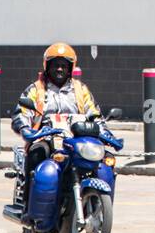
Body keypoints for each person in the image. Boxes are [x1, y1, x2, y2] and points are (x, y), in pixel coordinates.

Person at [11, 42, 102, 209]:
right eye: (55, 65)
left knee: (99, 159)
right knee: (37, 153)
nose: (59, 69)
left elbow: (94, 112)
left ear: (70, 68)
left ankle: (94, 203)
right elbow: (22, 112)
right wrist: (25, 128)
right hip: (45, 136)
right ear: (47, 67)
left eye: (63, 66)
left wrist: (103, 129)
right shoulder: (36, 89)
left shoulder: (80, 90)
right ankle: (28, 205)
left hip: (76, 138)